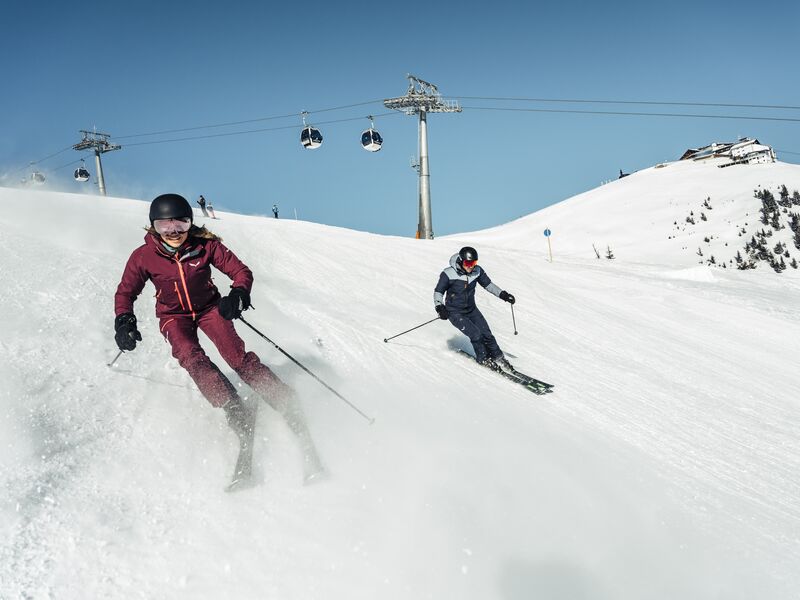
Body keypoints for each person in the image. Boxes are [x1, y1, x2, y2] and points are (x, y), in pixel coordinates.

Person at [113, 193, 321, 481]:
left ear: (190, 223)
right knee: (191, 358)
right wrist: (124, 319)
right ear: (153, 227)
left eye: (181, 224)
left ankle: (284, 400)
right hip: (174, 316)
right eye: (164, 226)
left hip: (211, 308)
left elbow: (240, 271)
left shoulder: (206, 245)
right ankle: (235, 408)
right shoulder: (144, 256)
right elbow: (126, 292)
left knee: (238, 358)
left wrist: (238, 294)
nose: (173, 232)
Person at [433, 246, 516, 369]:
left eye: (473, 263)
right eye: (468, 263)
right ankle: (483, 359)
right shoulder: (448, 274)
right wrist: (440, 307)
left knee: (487, 334)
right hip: (455, 312)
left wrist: (503, 295)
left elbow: (489, 285)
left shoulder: (477, 271)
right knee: (476, 335)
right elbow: (438, 291)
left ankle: (498, 357)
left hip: (471, 310)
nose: (470, 266)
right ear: (461, 261)